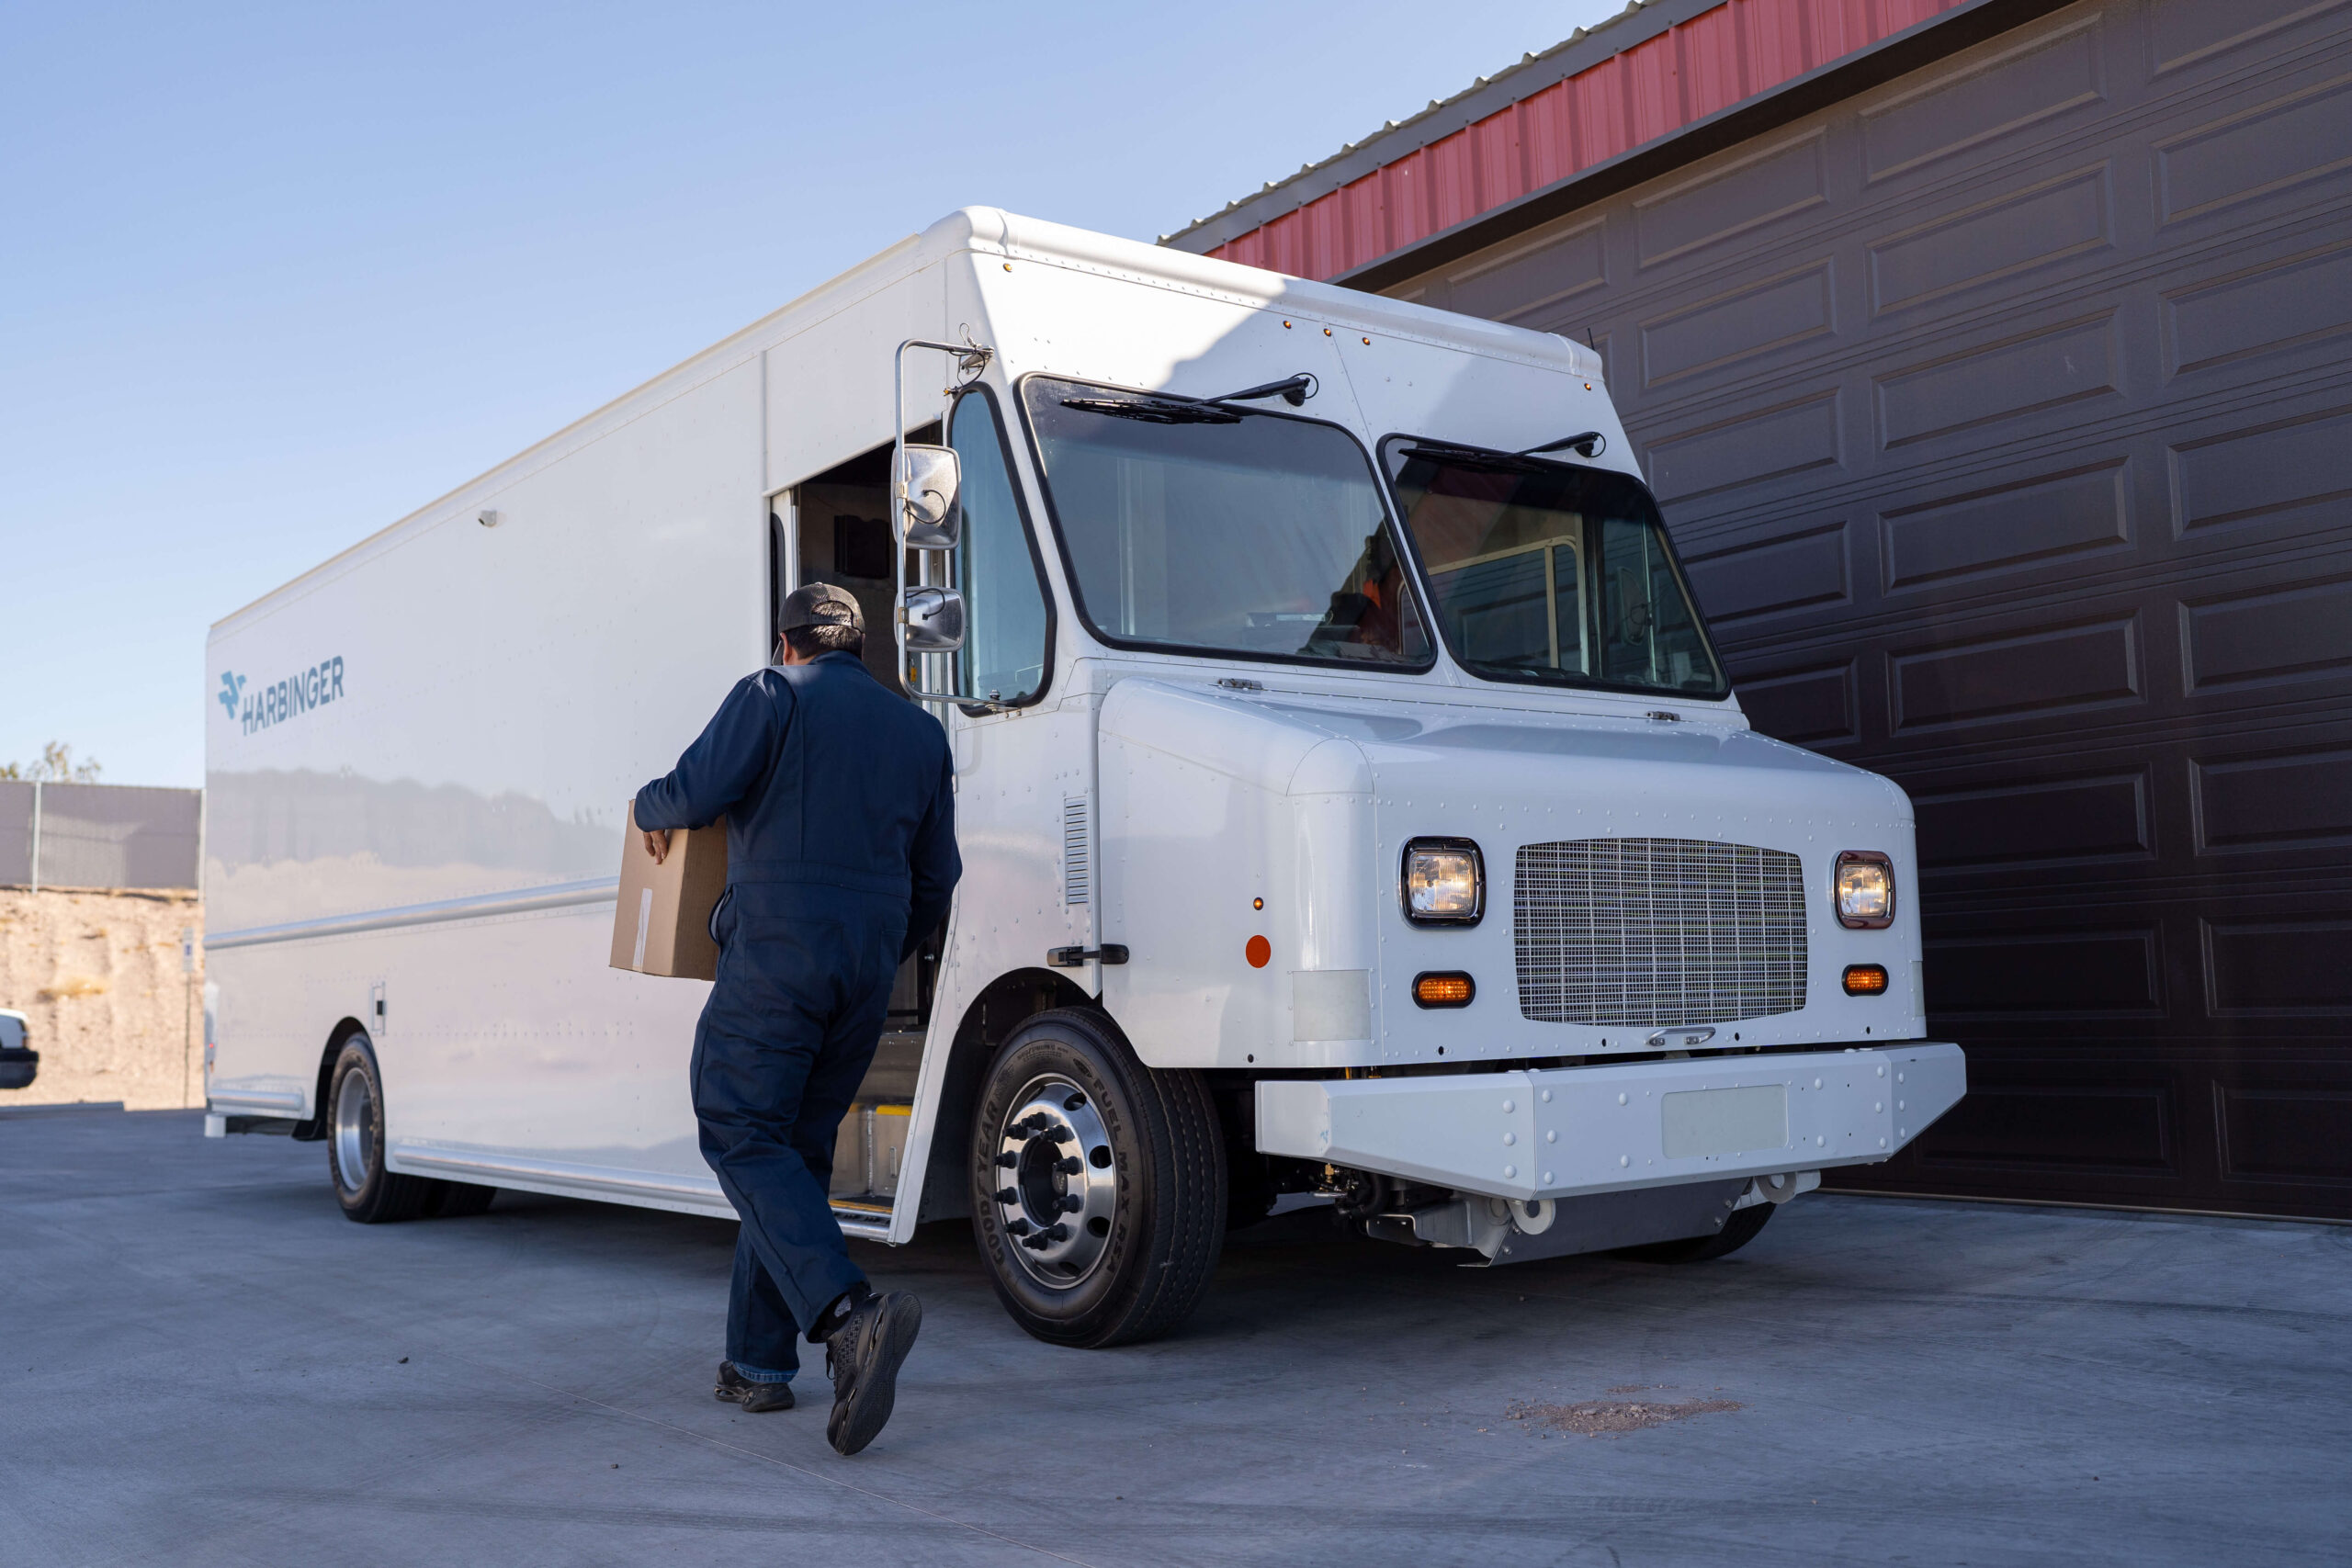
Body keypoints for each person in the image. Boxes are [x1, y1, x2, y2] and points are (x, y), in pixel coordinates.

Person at [633, 581, 959, 1457]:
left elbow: (693, 788)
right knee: (790, 1151)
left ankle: (849, 1317)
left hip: (777, 956)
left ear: (788, 644)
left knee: (737, 1122)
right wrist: (878, 941)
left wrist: (645, 808)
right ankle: (757, 1363)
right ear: (856, 648)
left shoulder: (771, 695)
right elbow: (939, 880)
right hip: (863, 974)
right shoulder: (921, 734)